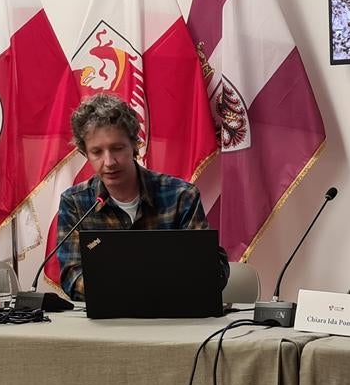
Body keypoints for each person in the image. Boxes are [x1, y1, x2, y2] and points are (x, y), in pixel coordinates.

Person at [56, 94, 230, 301]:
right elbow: (71, 276)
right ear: (86, 154)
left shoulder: (181, 195)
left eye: (117, 148)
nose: (109, 162)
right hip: (109, 318)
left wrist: (128, 285)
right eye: (97, 152)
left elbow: (212, 271)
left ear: (135, 146)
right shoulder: (75, 202)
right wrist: (137, 287)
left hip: (173, 316)